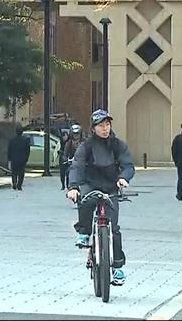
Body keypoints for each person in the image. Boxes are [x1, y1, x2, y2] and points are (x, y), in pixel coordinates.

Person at [66, 109, 135, 286]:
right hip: (91, 184)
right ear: (93, 128)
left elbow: (128, 166)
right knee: (85, 201)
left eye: (107, 124)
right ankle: (84, 232)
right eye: (100, 125)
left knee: (114, 229)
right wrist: (73, 187)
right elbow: (77, 167)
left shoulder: (118, 145)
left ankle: (118, 267)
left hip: (111, 186)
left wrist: (123, 178)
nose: (105, 128)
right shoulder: (86, 146)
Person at [7, 126, 31, 190]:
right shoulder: (25, 140)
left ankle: (14, 183)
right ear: (22, 132)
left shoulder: (12, 140)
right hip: (22, 160)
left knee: (14, 172)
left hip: (14, 159)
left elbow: (9, 150)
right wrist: (26, 158)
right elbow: (28, 151)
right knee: (21, 173)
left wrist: (9, 159)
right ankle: (19, 185)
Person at [61, 124, 84, 190]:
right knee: (68, 171)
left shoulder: (84, 143)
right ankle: (69, 186)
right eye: (74, 134)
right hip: (72, 163)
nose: (76, 136)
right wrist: (66, 159)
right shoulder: (69, 143)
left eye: (78, 134)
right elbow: (65, 154)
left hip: (83, 163)